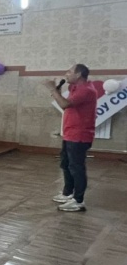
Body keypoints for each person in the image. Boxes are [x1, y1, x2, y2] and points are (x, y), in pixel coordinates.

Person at [46, 64, 98, 212]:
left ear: (79, 74)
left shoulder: (86, 90)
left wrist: (52, 89)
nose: (66, 74)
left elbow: (64, 104)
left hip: (80, 135)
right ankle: (68, 193)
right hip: (70, 133)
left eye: (69, 72)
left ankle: (78, 200)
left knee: (76, 167)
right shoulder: (75, 88)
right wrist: (58, 89)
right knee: (66, 164)